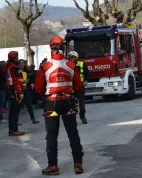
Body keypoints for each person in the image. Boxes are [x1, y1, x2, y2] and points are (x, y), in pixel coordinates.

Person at [35, 36, 84, 176]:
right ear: (64, 47)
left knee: (51, 135)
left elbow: (38, 88)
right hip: (68, 102)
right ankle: (78, 164)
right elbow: (78, 85)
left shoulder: (45, 66)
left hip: (52, 103)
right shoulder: (71, 65)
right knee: (73, 134)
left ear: (51, 48)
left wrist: (45, 95)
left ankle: (53, 166)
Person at [67, 51, 90, 124]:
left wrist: (86, 81)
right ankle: (73, 119)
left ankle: (82, 116)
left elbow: (87, 74)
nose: (71, 59)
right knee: (70, 104)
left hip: (80, 86)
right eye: (70, 57)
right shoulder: (66, 65)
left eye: (72, 57)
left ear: (76, 57)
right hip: (70, 87)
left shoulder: (82, 64)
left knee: (82, 104)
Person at [5, 51, 25, 136]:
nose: (17, 58)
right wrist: (20, 92)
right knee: (15, 111)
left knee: (12, 111)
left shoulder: (8, 66)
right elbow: (16, 81)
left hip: (10, 90)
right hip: (14, 90)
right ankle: (14, 129)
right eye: (17, 56)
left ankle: (12, 129)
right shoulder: (12, 67)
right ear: (13, 58)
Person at [18, 59, 39, 124]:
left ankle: (33, 119)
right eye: (20, 63)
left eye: (23, 63)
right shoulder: (16, 71)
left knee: (29, 105)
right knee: (18, 105)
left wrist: (31, 82)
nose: (21, 64)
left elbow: (32, 79)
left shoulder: (28, 71)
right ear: (18, 64)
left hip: (27, 89)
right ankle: (16, 121)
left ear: (24, 64)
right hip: (19, 89)